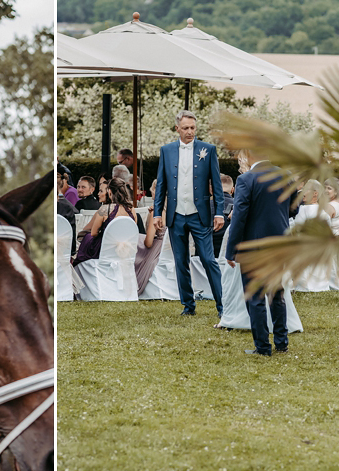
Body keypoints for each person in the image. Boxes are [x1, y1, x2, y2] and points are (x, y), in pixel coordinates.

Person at [153, 109, 226, 319]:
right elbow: (162, 186)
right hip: (176, 215)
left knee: (208, 259)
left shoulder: (208, 149)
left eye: (193, 128)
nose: (190, 132)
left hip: (199, 214)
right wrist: (158, 213)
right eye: (185, 128)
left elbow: (217, 185)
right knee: (180, 261)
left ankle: (222, 305)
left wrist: (219, 212)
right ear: (177, 129)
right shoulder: (166, 151)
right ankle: (188, 305)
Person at [224, 148, 291, 356]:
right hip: (279, 244)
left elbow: (240, 216)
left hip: (253, 245)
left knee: (255, 297)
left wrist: (231, 249)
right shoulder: (285, 176)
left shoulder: (246, 179)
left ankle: (262, 346)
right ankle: (281, 342)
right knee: (277, 293)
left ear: (249, 155)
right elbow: (294, 208)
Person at [71, 178, 139, 266]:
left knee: (88, 237)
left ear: (109, 192)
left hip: (106, 249)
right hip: (126, 250)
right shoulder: (132, 209)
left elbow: (94, 233)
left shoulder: (105, 209)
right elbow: (133, 230)